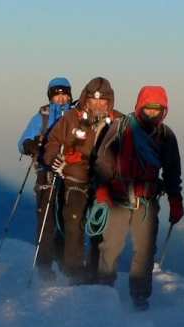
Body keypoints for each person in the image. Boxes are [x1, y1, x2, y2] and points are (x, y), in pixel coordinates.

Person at [92, 85, 184, 310]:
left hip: (147, 202)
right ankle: (104, 295)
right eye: (148, 109)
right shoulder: (120, 127)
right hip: (117, 198)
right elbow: (103, 159)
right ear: (140, 107)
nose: (152, 114)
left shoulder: (166, 135)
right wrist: (104, 189)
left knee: (144, 252)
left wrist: (175, 199)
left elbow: (172, 170)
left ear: (164, 111)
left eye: (157, 110)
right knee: (110, 247)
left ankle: (139, 298)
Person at [41, 77, 122, 284]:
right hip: (74, 177)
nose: (97, 105)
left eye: (102, 101)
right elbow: (53, 141)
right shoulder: (71, 118)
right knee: (73, 221)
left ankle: (97, 274)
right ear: (86, 99)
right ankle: (73, 273)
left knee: (100, 227)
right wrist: (52, 159)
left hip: (104, 182)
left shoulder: (119, 122)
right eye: (93, 101)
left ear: (109, 102)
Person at [18, 77, 73, 282]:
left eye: (64, 94)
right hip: (46, 172)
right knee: (47, 223)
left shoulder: (75, 116)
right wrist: (30, 145)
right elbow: (22, 141)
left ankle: (65, 264)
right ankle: (45, 269)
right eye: (57, 94)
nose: (61, 98)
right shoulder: (41, 117)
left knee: (68, 220)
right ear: (50, 96)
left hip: (70, 172)